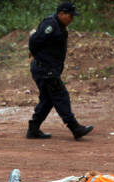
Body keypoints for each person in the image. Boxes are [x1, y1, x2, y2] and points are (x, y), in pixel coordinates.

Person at [26, 2, 93, 140]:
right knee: (60, 95)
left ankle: (33, 128)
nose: (71, 19)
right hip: (45, 69)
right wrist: (40, 58)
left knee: (47, 99)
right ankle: (75, 127)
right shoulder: (50, 25)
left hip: (47, 68)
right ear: (61, 14)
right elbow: (34, 41)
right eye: (70, 16)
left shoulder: (60, 26)